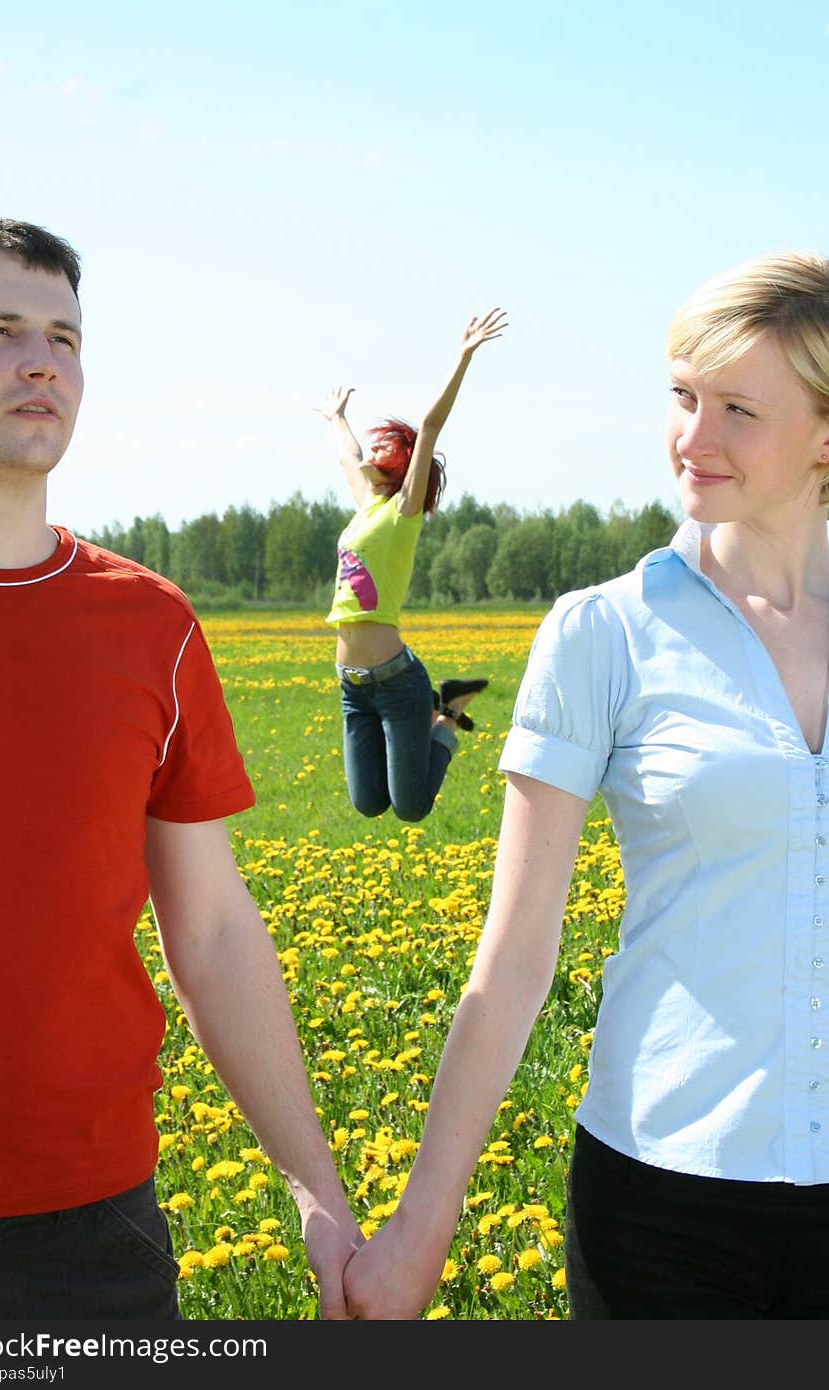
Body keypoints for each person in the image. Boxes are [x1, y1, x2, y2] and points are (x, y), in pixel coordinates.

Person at [342, 249, 829, 1320]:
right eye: (681, 396)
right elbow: (515, 956)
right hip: (665, 1206)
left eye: (737, 408)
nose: (691, 439)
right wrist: (421, 1225)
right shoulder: (605, 630)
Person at [0, 214, 363, 1320]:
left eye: (66, 337)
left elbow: (214, 927)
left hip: (95, 1228)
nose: (43, 360)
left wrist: (313, 1186)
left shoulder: (151, 626)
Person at [316, 308, 505, 822]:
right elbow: (346, 456)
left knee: (412, 806)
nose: (372, 450)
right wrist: (337, 419)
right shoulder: (368, 508)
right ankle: (440, 706)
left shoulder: (403, 513)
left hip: (398, 682)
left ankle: (447, 711)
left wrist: (463, 357)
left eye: (384, 446)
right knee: (370, 802)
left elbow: (429, 425)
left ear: (402, 463)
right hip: (352, 684)